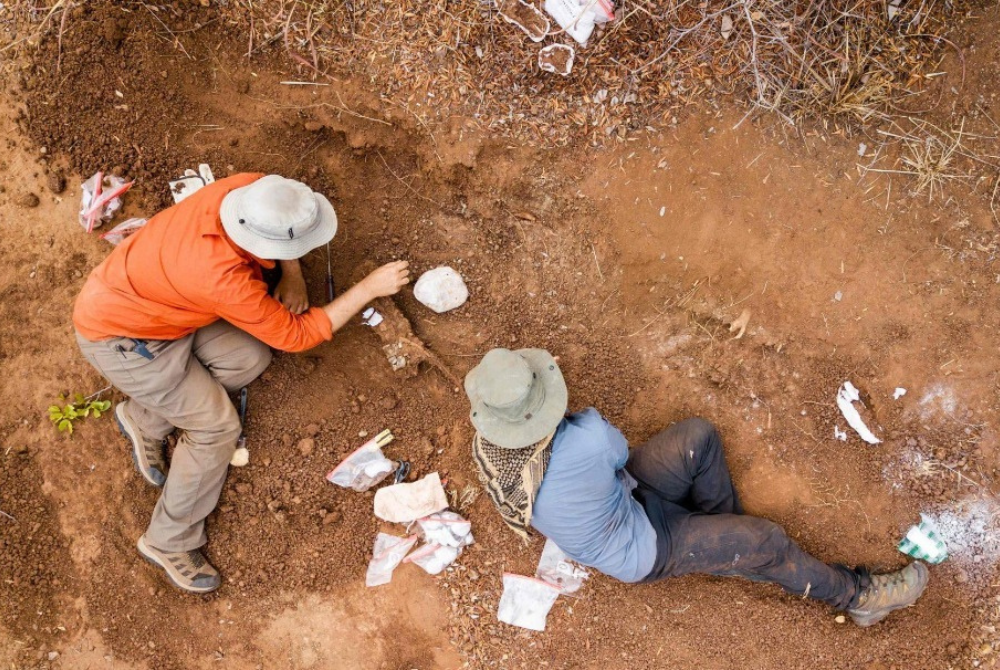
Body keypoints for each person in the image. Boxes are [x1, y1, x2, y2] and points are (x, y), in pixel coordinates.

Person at [73, 173, 410, 594]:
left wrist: (294, 275)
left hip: (157, 308)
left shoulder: (251, 190)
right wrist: (367, 289)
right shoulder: (220, 278)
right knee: (216, 428)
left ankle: (146, 420)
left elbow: (279, 230)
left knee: (247, 356)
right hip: (124, 341)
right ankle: (168, 540)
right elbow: (298, 336)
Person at [463, 347, 930, 627]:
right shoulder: (585, 438)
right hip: (641, 548)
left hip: (623, 500)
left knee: (698, 439)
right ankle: (858, 597)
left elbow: (606, 467)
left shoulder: (493, 449)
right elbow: (618, 452)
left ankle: (728, 540)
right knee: (766, 540)